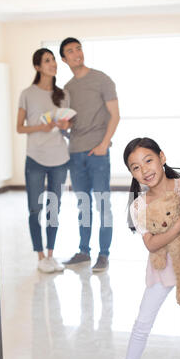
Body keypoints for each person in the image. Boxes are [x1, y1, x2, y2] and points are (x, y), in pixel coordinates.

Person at [98, 137, 180, 359]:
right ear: (132, 174)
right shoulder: (138, 205)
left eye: (148, 160)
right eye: (135, 167)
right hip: (162, 266)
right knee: (143, 320)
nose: (145, 169)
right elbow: (151, 244)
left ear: (162, 157)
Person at [59, 37, 120, 272]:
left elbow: (115, 115)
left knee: (102, 204)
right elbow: (68, 125)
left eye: (78, 48)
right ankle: (84, 251)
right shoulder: (67, 89)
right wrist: (61, 126)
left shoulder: (102, 79)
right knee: (83, 205)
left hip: (98, 152)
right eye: (70, 52)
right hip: (75, 153)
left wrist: (104, 143)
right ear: (64, 59)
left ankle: (103, 255)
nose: (77, 54)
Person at [17, 48, 71, 273]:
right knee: (34, 208)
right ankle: (40, 257)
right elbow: (19, 128)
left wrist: (65, 126)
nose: (53, 64)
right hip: (35, 159)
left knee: (54, 209)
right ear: (38, 67)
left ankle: (51, 255)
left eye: (53, 60)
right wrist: (42, 126)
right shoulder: (27, 94)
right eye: (47, 61)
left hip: (60, 158)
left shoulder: (63, 94)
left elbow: (68, 126)